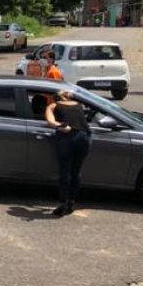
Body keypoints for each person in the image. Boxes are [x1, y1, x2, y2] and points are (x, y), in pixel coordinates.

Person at [44, 88, 91, 216]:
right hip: (83, 137)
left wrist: (60, 126)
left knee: (65, 171)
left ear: (55, 98)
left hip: (67, 138)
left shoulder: (53, 106)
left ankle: (63, 203)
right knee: (76, 171)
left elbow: (50, 121)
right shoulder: (78, 105)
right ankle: (71, 202)